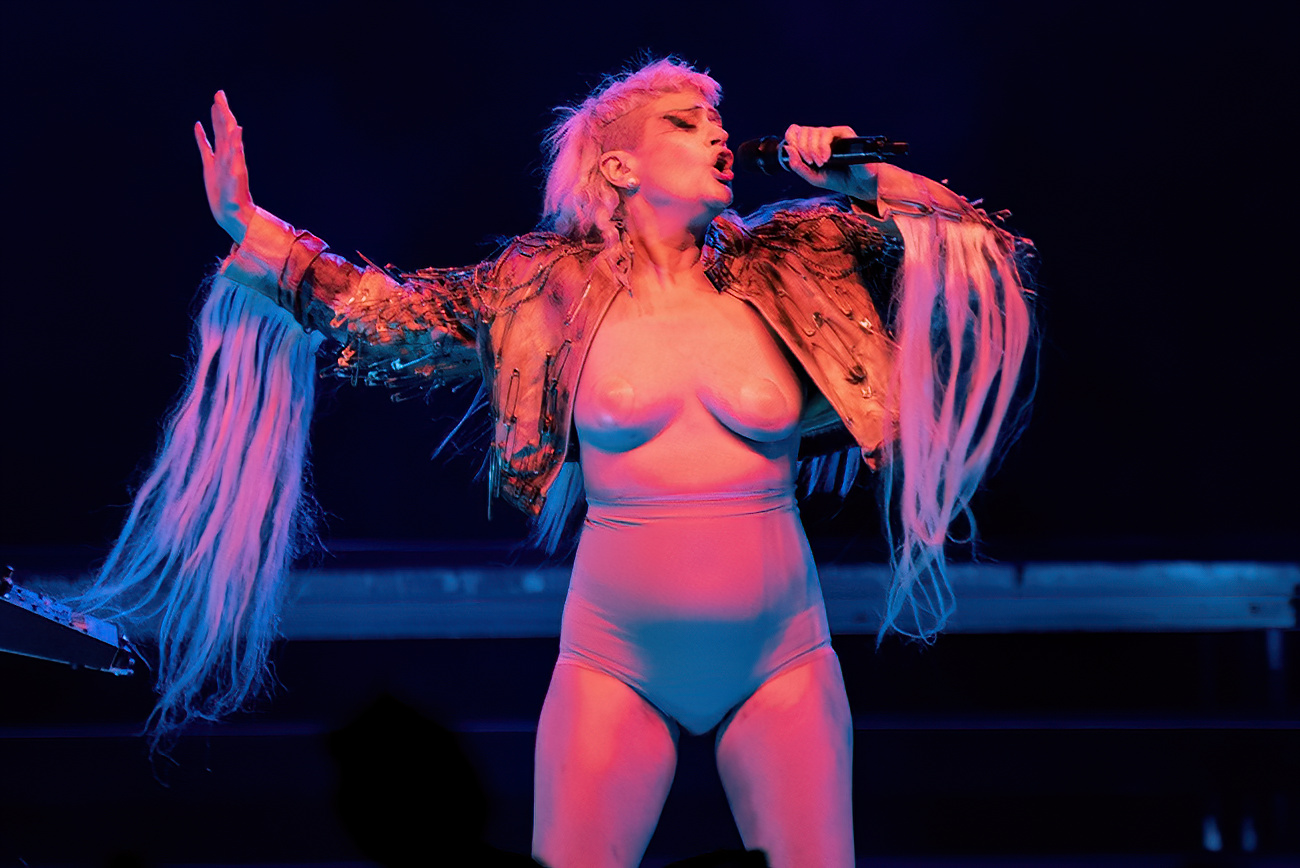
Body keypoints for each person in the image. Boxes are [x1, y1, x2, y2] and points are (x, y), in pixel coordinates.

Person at [81, 58, 1032, 868]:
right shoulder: (544, 288)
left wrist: (859, 173)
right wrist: (253, 228)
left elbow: (979, 249)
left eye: (717, 120)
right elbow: (394, 318)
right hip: (616, 665)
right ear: (619, 165)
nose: (717, 134)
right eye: (685, 121)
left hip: (781, 657)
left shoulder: (795, 257)